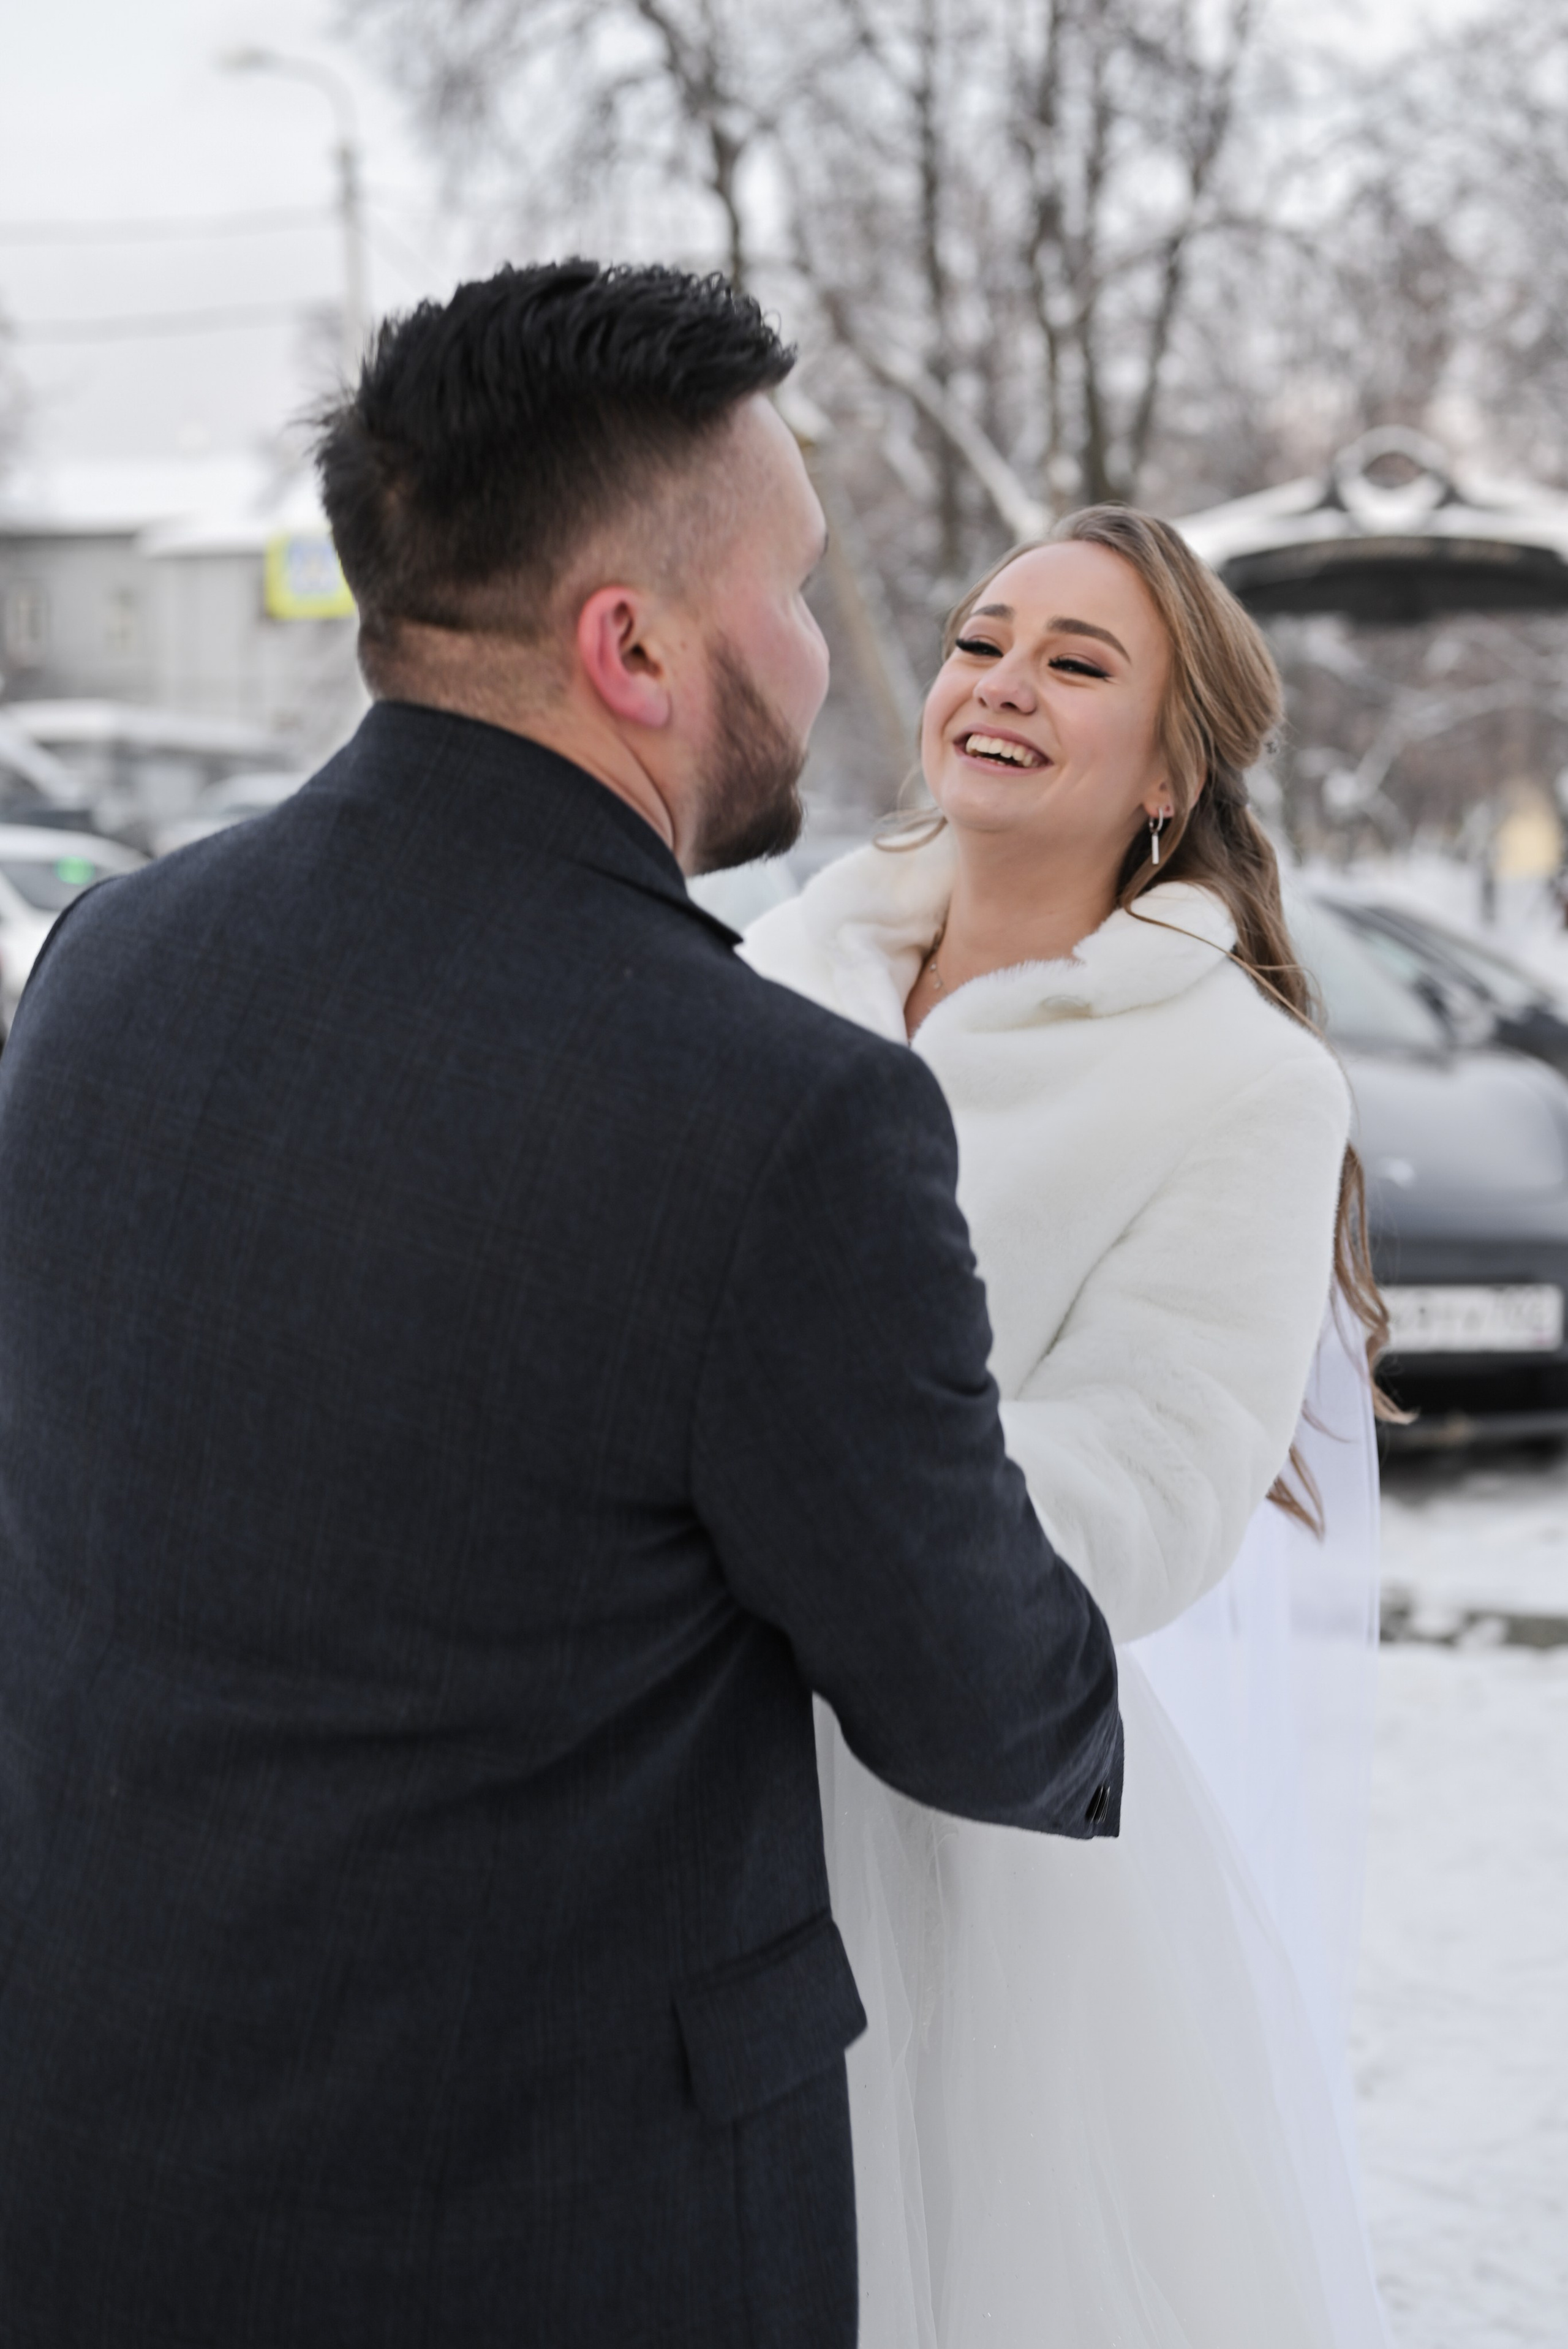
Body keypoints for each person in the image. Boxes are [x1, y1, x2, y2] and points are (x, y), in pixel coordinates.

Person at [0, 263, 1124, 2346]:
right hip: (553, 2222)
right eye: (790, 587)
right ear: (633, 648)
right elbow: (978, 1696)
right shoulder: (783, 1121)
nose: (817, 641)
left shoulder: (106, 969)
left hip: (90, 2174)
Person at [744, 508, 1392, 2347]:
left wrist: (803, 1476)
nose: (1002, 682)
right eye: (981, 636)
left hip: (966, 1827)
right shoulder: (773, 975)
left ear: (1173, 769)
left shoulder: (1243, 1080)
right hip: (683, 1758)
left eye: (1079, 661)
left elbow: (1156, 1492)